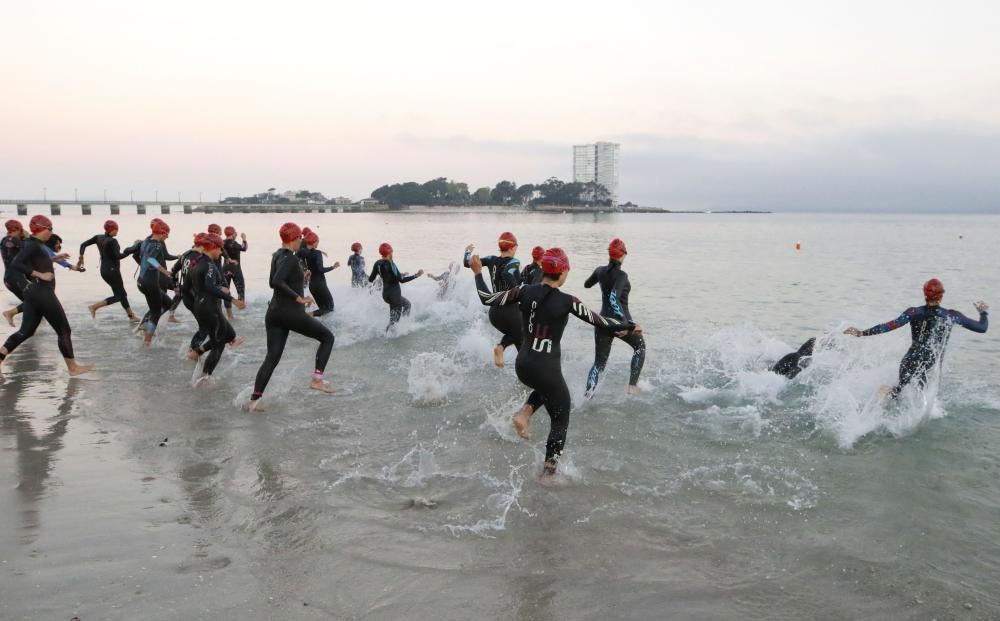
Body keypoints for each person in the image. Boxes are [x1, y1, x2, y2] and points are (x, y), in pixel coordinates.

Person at [470, 249, 638, 479]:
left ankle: (524, 414)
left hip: (522, 365)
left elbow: (486, 299)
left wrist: (478, 272)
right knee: (561, 416)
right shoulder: (568, 301)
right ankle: (548, 474)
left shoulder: (523, 290)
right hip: (545, 369)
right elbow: (601, 322)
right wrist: (629, 325)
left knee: (547, 389)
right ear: (562, 272)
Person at [844, 278, 988, 399]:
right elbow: (982, 328)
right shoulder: (951, 315)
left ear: (924, 295)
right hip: (928, 363)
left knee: (898, 391)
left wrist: (862, 333)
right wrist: (983, 313)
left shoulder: (913, 312)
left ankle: (879, 399)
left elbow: (889, 326)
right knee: (921, 396)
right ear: (941, 296)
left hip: (910, 359)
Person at [248, 223, 335, 411]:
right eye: (299, 240)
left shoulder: (277, 255)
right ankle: (317, 380)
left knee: (271, 358)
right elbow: (277, 281)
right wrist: (299, 298)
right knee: (328, 338)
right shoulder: (290, 258)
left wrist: (301, 276)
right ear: (295, 239)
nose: (300, 243)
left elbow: (275, 281)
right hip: (290, 312)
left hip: (274, 313)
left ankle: (254, 400)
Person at [0, 215, 92, 376]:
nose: (51, 232)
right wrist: (39, 275)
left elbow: (36, 260)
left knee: (26, 331)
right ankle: (73, 368)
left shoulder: (34, 245)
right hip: (42, 292)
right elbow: (16, 263)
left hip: (32, 293)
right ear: (43, 229)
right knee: (64, 330)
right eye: (50, 229)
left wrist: (56, 258)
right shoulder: (32, 245)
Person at [583, 238, 647, 397]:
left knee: (599, 363)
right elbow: (614, 298)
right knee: (640, 346)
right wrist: (627, 325)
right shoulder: (622, 275)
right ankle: (632, 386)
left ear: (609, 254)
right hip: (619, 322)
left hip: (602, 322)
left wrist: (599, 279)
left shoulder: (599, 271)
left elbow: (586, 284)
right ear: (623, 254)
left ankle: (587, 395)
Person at [189, 233, 245, 386]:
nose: (221, 252)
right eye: (219, 249)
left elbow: (194, 285)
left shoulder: (197, 262)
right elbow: (209, 286)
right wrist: (232, 300)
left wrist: (217, 288)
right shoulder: (208, 264)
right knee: (218, 343)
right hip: (209, 307)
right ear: (212, 247)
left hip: (201, 305)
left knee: (229, 334)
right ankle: (204, 377)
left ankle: (196, 353)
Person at [463, 232, 522, 367]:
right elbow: (507, 273)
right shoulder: (514, 261)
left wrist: (467, 252)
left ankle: (501, 348)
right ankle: (503, 349)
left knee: (518, 336)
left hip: (494, 312)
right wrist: (518, 291)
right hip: (510, 310)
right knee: (522, 340)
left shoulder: (491, 259)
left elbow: (468, 263)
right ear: (512, 247)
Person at [78, 220, 139, 322]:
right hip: (113, 271)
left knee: (121, 293)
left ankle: (131, 316)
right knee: (120, 295)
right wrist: (130, 251)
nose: (117, 232)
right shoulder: (113, 241)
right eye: (116, 230)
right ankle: (94, 307)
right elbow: (117, 256)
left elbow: (83, 244)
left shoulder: (98, 237)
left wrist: (81, 256)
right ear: (111, 230)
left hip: (104, 271)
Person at [368, 242, 423, 333]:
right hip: (394, 296)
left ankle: (403, 326)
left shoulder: (377, 263)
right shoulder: (391, 264)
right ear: (389, 253)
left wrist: (400, 274)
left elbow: (370, 279)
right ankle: (387, 337)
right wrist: (416, 275)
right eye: (391, 252)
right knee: (393, 322)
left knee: (407, 305)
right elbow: (402, 280)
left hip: (386, 294)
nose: (392, 254)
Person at [137, 220, 175, 346]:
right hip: (150, 282)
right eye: (167, 234)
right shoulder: (157, 244)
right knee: (156, 311)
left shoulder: (145, 241)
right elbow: (151, 259)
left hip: (141, 281)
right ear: (161, 233)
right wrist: (165, 272)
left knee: (168, 303)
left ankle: (146, 327)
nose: (168, 236)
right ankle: (147, 341)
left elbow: (139, 255)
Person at [301, 231, 339, 317]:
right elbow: (320, 270)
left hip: (312, 285)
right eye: (317, 241)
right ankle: (304, 316)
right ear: (314, 242)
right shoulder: (317, 253)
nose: (318, 243)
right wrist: (333, 267)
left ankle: (307, 319)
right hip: (319, 284)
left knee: (323, 309)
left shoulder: (303, 252)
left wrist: (305, 271)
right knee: (329, 308)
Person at [2, 220, 28, 326]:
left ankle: (29, 328)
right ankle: (10, 313)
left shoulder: (9, 240)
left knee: (31, 303)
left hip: (11, 278)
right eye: (21, 230)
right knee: (35, 300)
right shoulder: (10, 239)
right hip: (15, 277)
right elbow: (29, 249)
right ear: (17, 229)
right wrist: (27, 237)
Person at [222, 226, 248, 320]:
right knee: (240, 289)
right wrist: (244, 239)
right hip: (236, 269)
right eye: (235, 233)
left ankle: (230, 315)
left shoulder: (222, 242)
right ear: (232, 234)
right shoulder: (234, 243)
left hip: (225, 269)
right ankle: (241, 311)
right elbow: (244, 248)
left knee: (226, 291)